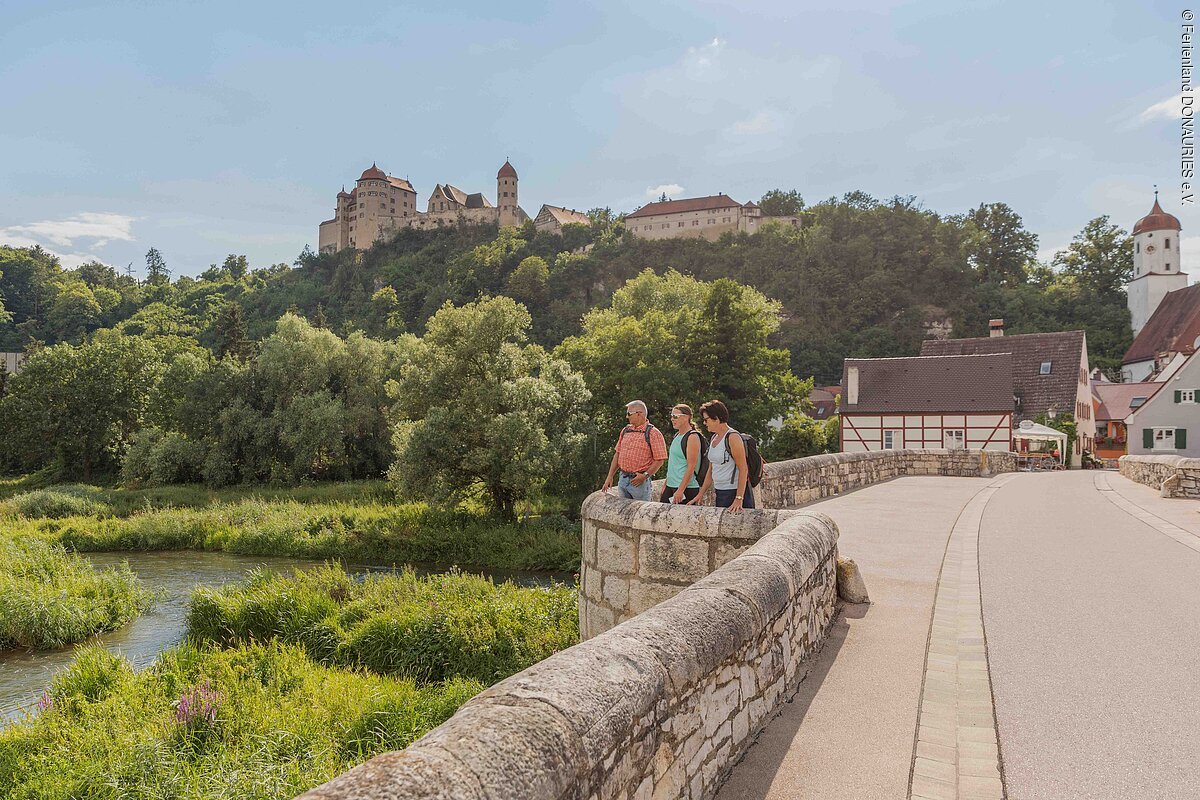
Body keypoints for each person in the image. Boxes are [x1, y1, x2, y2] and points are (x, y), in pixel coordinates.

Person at [690, 399, 754, 511]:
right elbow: (711, 468)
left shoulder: (733, 437)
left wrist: (739, 498)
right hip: (720, 492)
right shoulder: (714, 437)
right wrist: (701, 493)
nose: (704, 423)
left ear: (717, 418)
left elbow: (743, 469)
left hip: (734, 492)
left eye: (706, 419)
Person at [601, 400, 667, 501]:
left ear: (639, 414)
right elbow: (617, 454)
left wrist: (644, 476)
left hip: (639, 482)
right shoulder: (626, 430)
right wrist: (610, 476)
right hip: (623, 479)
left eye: (629, 414)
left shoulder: (653, 433)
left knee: (641, 514)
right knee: (624, 513)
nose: (627, 417)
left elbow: (660, 460)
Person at [660, 404, 704, 504]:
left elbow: (691, 466)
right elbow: (674, 463)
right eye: (671, 416)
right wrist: (666, 484)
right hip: (671, 486)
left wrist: (680, 490)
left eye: (675, 416)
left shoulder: (692, 437)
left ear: (686, 417)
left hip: (686, 489)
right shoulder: (677, 435)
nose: (672, 419)